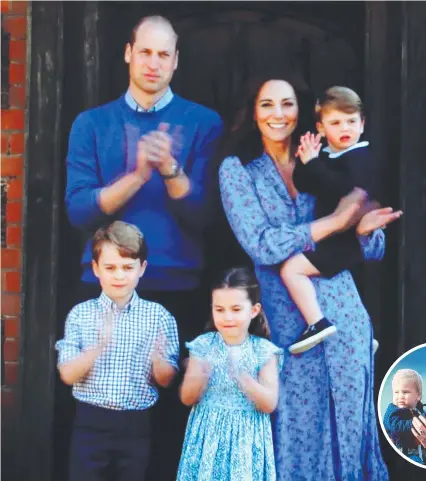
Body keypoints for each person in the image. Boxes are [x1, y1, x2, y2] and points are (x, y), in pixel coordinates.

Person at [64, 15, 223, 478]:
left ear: (176, 62)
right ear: (128, 54)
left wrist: (171, 170)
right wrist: (135, 175)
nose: (153, 63)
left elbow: (204, 216)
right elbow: (79, 212)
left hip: (176, 287)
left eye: (164, 54)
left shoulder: (202, 122)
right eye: (145, 52)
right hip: (104, 289)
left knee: (171, 413)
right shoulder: (92, 123)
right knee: (100, 408)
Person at [219, 77, 401, 480]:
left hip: (346, 318)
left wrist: (360, 231)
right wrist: (335, 222)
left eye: (287, 104)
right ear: (253, 112)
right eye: (267, 105)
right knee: (296, 431)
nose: (278, 114)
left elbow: (376, 247)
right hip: (289, 323)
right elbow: (262, 245)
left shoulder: (329, 159)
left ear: (302, 112)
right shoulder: (238, 171)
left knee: (351, 431)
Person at [55, 221, 179, 481]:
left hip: (137, 424)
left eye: (127, 268)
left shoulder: (159, 317)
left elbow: (167, 380)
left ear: (142, 268)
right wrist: (97, 347)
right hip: (90, 421)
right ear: (96, 269)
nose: (119, 276)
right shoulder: (81, 315)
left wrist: (159, 363)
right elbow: (67, 375)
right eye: (110, 268)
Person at [282, 86, 384, 354]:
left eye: (351, 121)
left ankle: (317, 323)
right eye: (335, 122)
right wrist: (306, 162)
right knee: (344, 292)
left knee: (291, 270)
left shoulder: (361, 157)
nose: (345, 128)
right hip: (332, 239)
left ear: (362, 124)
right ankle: (362, 334)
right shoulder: (329, 155)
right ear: (321, 127)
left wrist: (315, 164)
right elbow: (306, 183)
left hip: (344, 242)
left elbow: (342, 187)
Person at [177, 267, 282, 481]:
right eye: (220, 309)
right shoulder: (204, 345)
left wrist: (243, 378)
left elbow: (269, 403)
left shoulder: (263, 350)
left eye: (236, 309)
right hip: (208, 436)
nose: (227, 317)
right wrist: (199, 377)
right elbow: (187, 398)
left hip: (246, 439)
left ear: (254, 310)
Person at [383, 369, 426, 464]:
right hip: (402, 452)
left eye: (405, 392)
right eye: (396, 392)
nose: (400, 396)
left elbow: (420, 413)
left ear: (418, 395)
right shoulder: (393, 411)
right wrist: (424, 423)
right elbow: (396, 426)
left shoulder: (415, 409)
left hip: (416, 450)